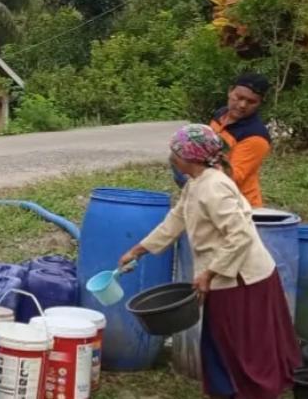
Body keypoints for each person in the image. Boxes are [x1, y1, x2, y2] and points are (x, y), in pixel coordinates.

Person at [121, 124, 299, 399]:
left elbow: (240, 235)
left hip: (243, 280)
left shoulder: (214, 187)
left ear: (190, 156)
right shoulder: (196, 183)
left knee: (242, 345)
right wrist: (137, 250)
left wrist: (210, 273)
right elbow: (175, 221)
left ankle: (252, 392)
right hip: (224, 277)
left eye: (175, 152)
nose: (171, 158)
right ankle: (225, 391)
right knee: (219, 339)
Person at [173, 73, 271, 207]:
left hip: (238, 207)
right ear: (230, 91)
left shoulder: (256, 137)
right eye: (239, 97)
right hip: (210, 194)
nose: (242, 105)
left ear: (260, 103)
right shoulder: (221, 114)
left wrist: (195, 170)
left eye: (251, 101)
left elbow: (233, 177)